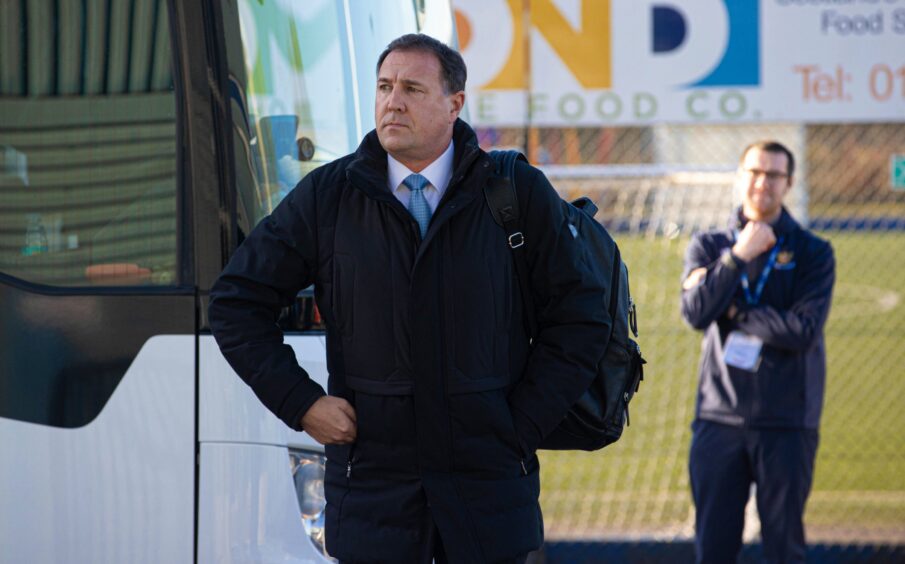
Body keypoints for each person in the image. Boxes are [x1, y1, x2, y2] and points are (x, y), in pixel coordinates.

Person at [208, 34, 610, 563]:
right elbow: (236, 302)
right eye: (384, 86)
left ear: (454, 104)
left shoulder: (514, 192)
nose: (392, 101)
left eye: (412, 88)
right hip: (375, 499)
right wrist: (301, 404)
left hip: (487, 501)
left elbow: (581, 317)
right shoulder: (328, 196)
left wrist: (519, 424)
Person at [680, 141, 835, 563]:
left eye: (774, 175)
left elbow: (802, 330)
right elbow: (695, 312)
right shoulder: (709, 247)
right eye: (754, 171)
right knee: (713, 549)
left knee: (785, 550)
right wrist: (737, 258)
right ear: (740, 176)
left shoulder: (813, 253)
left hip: (786, 423)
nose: (762, 182)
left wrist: (735, 309)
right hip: (718, 421)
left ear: (789, 183)